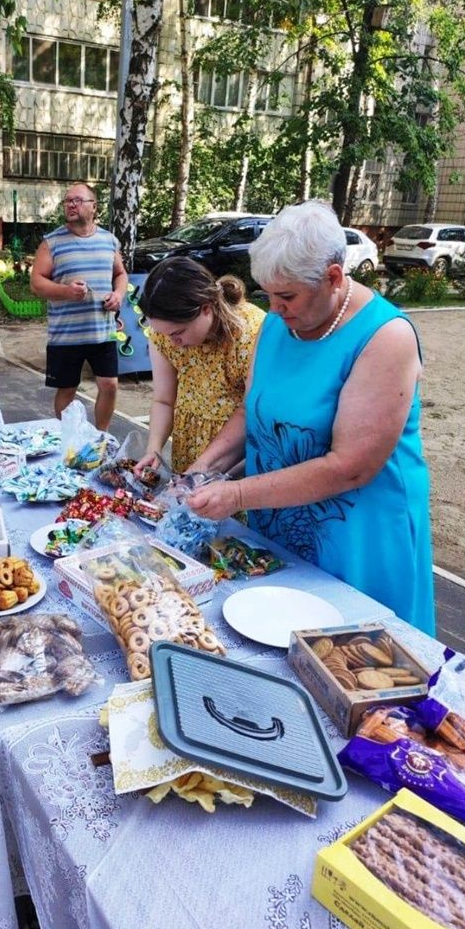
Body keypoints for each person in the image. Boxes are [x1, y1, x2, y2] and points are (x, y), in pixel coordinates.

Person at [186, 201, 435, 634]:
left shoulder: (386, 337)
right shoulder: (280, 323)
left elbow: (350, 466)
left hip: (357, 537)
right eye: (269, 295)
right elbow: (252, 411)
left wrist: (238, 495)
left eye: (287, 296)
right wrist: (204, 467)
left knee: (352, 657)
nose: (275, 309)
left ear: (334, 278)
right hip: (281, 518)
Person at [133, 258, 265, 474]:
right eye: (164, 334)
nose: (173, 342)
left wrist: (207, 468)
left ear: (206, 308)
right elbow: (164, 400)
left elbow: (252, 411)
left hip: (236, 453)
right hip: (188, 446)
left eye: (178, 333)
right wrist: (154, 449)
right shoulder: (165, 335)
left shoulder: (250, 332)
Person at [30, 181, 127, 431]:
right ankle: (68, 439)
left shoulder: (109, 240)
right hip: (66, 334)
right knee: (68, 389)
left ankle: (100, 436)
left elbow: (121, 274)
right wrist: (66, 291)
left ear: (93, 207)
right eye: (67, 201)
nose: (71, 205)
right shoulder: (51, 242)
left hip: (101, 330)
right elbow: (36, 283)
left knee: (110, 385)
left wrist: (118, 294)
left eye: (77, 200)